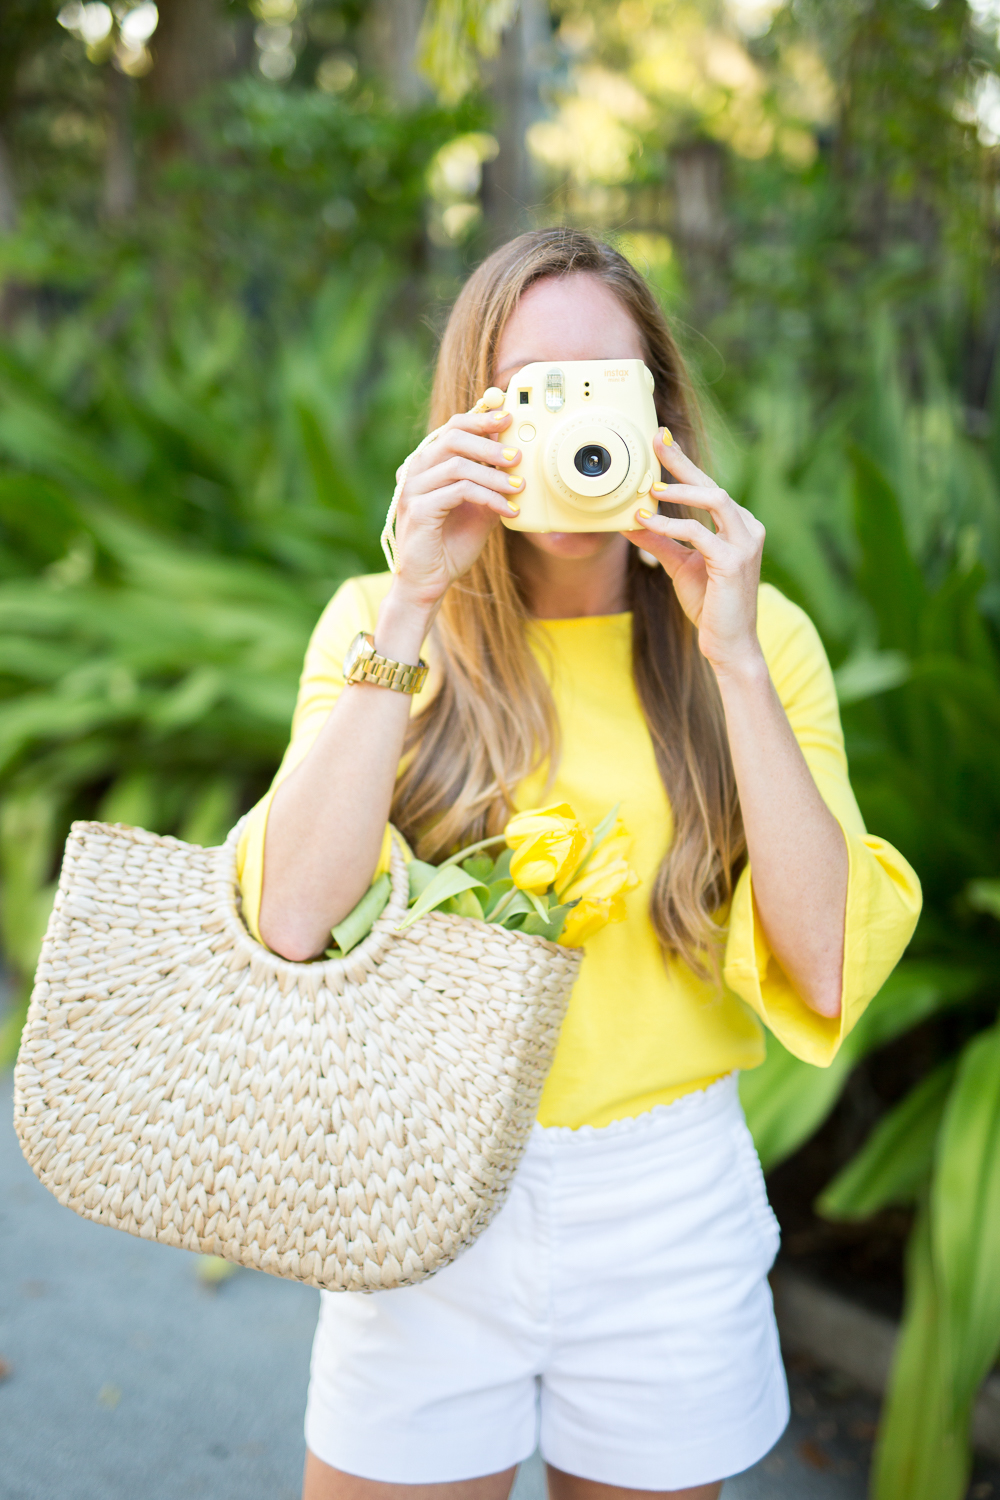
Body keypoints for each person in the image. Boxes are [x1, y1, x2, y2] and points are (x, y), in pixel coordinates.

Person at [236, 229, 921, 1500]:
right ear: (469, 419)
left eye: (603, 388)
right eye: (529, 396)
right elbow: (288, 918)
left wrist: (728, 655)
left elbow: (822, 960)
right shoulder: (382, 620)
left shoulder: (756, 634)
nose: (571, 429)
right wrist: (411, 601)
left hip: (664, 1204)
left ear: (659, 408)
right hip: (419, 1185)